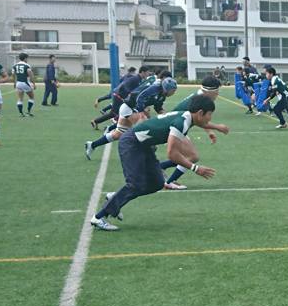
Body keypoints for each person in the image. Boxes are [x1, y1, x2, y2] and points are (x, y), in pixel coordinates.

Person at [90, 95, 218, 231]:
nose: (210, 118)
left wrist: (218, 128)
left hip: (143, 145)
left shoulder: (187, 116)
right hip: (132, 143)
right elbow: (172, 154)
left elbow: (201, 124)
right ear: (200, 113)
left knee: (157, 183)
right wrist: (195, 168)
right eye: (209, 114)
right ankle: (98, 217)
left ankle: (116, 198)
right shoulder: (182, 123)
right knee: (135, 184)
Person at [160, 76, 231, 190]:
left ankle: (161, 168)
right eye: (217, 92)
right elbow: (199, 120)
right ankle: (168, 180)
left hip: (174, 126)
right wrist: (218, 127)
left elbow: (199, 120)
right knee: (192, 156)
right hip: (172, 128)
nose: (217, 94)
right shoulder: (199, 100)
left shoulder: (200, 97)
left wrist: (210, 132)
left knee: (190, 156)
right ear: (209, 91)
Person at [85, 75, 176, 160]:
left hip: (130, 109)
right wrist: (141, 112)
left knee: (117, 134)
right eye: (173, 90)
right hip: (129, 108)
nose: (173, 93)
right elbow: (140, 97)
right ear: (167, 88)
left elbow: (158, 108)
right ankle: (144, 154)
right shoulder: (154, 88)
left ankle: (92, 145)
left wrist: (166, 115)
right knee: (145, 130)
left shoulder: (162, 96)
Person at [12, 53, 36, 117]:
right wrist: (34, 83)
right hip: (25, 83)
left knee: (20, 99)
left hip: (18, 83)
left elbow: (13, 74)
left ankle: (21, 113)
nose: (27, 59)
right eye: (27, 58)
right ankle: (28, 112)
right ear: (25, 58)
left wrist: (14, 83)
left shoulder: (15, 65)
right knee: (31, 97)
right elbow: (30, 74)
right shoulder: (26, 65)